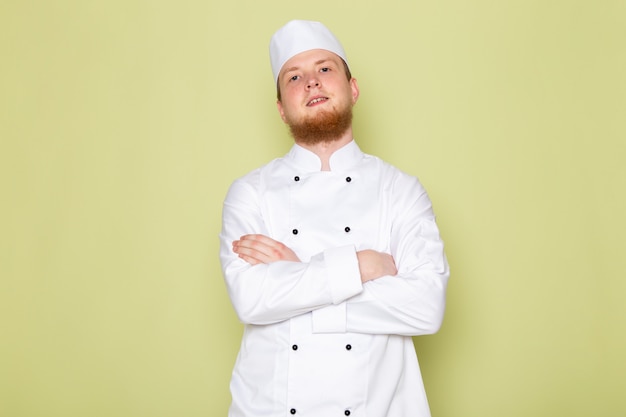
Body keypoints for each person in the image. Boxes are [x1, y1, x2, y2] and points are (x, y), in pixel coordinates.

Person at [219, 19, 450, 417]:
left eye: (325, 68)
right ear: (280, 108)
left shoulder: (400, 190)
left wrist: (296, 279)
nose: (311, 82)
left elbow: (426, 306)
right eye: (294, 76)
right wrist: (362, 264)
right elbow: (252, 300)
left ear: (353, 88)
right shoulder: (250, 192)